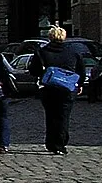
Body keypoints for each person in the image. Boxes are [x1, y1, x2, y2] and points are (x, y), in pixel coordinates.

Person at [38, 24, 89, 154]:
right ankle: (60, 144)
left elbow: (34, 69)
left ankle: (50, 143)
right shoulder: (73, 52)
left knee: (50, 116)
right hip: (67, 88)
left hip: (48, 88)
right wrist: (80, 84)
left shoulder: (42, 52)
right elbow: (81, 71)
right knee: (63, 117)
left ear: (50, 37)